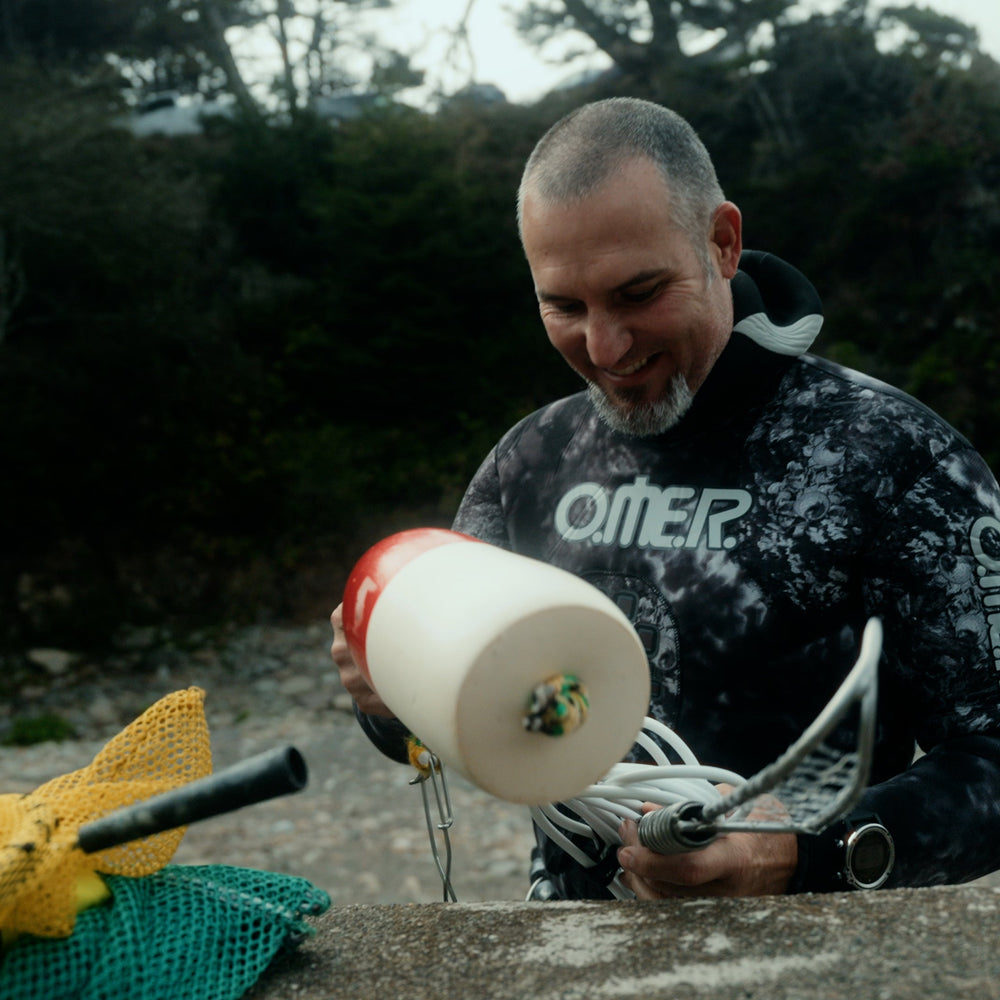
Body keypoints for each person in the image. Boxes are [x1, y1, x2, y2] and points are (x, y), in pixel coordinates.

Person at [331, 97, 1000, 899]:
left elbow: (991, 760)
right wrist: (392, 697)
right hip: (576, 963)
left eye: (639, 293)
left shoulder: (891, 456)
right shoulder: (530, 464)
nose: (606, 347)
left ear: (722, 242)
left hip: (812, 966)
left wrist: (787, 851)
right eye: (565, 307)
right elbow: (490, 727)